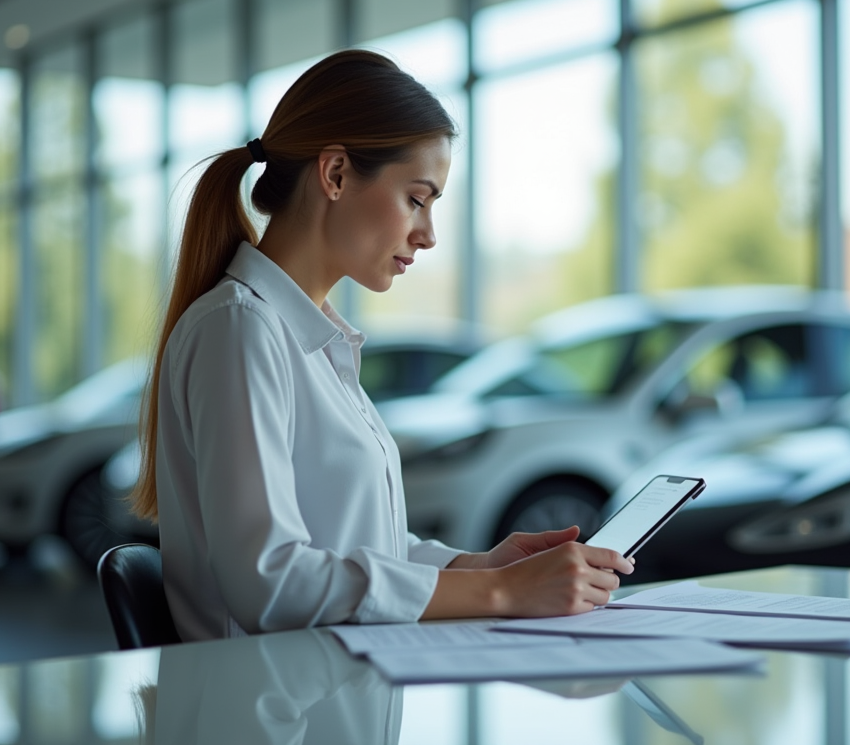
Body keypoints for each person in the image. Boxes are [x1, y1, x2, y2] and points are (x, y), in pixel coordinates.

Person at [129, 50, 632, 641]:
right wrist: (501, 592)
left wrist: (482, 567)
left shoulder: (308, 339)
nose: (429, 234)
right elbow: (270, 583)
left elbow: (356, 549)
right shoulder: (240, 330)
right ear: (336, 174)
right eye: (417, 199)